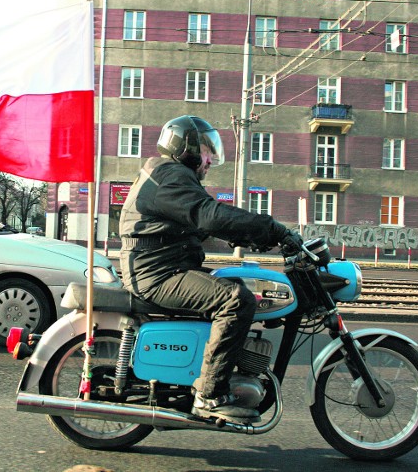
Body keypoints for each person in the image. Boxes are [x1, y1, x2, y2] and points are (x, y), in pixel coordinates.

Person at [119, 115, 303, 422]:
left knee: (233, 283)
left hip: (162, 265)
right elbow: (209, 215)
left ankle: (211, 374)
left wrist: (246, 235)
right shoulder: (171, 174)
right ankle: (210, 395)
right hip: (156, 273)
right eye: (206, 149)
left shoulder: (167, 175)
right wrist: (273, 229)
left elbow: (198, 221)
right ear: (187, 146)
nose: (210, 158)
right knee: (236, 299)